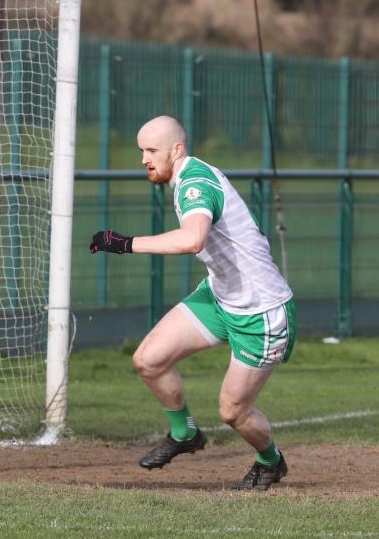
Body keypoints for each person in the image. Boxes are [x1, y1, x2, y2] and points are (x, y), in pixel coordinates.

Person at [90, 115, 296, 491]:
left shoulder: (194, 184)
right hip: (220, 295)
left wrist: (125, 243)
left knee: (233, 412)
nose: (144, 159)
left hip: (260, 313)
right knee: (148, 360)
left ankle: (271, 461)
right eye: (141, 151)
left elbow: (192, 240)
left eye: (151, 150)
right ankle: (184, 433)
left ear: (177, 149)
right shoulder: (187, 177)